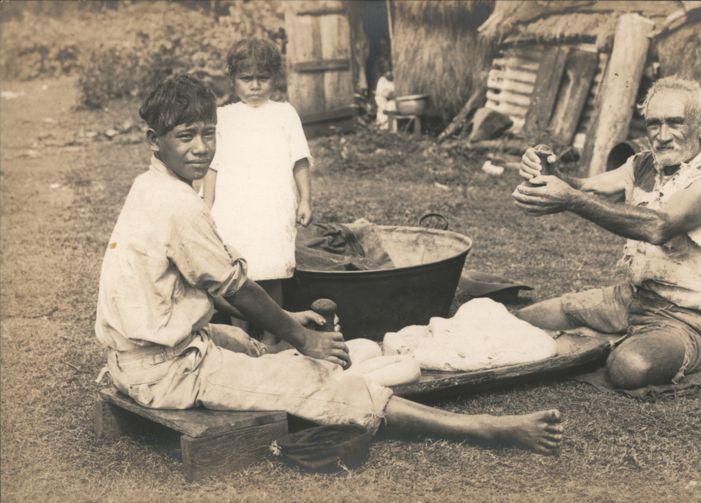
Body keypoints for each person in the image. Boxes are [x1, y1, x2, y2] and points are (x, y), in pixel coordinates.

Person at [94, 74, 563, 454]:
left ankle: (269, 365)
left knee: (239, 337)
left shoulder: (150, 187)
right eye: (185, 136)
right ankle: (486, 429)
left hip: (136, 357)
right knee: (311, 379)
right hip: (167, 373)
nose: (200, 147)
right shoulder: (179, 206)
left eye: (208, 133)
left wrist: (288, 318)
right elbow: (234, 285)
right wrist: (305, 338)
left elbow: (205, 282)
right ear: (155, 140)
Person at [512, 76, 701, 390]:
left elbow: (658, 225)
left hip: (689, 320)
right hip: (632, 299)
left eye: (675, 123)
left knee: (629, 368)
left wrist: (570, 200)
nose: (662, 136)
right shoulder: (643, 165)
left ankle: (699, 342)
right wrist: (548, 170)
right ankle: (615, 337)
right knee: (523, 320)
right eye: (654, 124)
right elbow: (583, 187)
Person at [202, 38, 310, 310]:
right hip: (234, 207)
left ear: (275, 78)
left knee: (271, 270)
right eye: (246, 78)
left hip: (273, 205)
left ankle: (275, 338)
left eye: (263, 78)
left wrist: (306, 199)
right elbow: (213, 166)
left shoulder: (285, 114)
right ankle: (244, 337)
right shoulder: (223, 117)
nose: (255, 85)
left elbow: (300, 159)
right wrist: (206, 207)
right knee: (238, 275)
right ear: (232, 79)